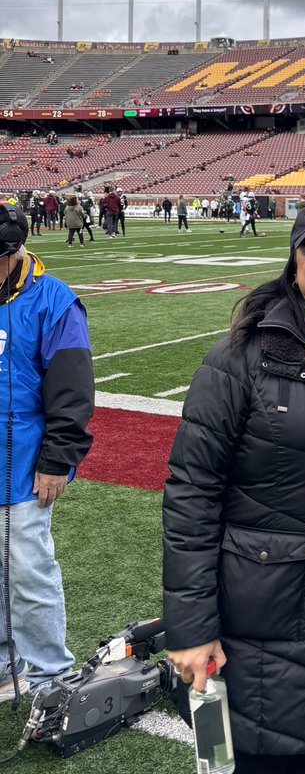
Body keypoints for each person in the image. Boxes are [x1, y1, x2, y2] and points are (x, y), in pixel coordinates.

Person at [163, 204, 305, 772]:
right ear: (293, 263)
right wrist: (192, 628)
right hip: (256, 609)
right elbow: (192, 491)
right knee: (254, 757)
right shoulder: (239, 358)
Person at [0, 201, 94, 701]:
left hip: (21, 465)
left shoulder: (53, 300)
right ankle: (3, 664)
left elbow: (73, 391)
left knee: (28, 572)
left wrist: (58, 459)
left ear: (12, 253)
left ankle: (48, 673)